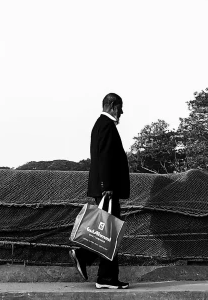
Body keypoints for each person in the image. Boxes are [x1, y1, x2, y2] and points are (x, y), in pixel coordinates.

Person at [69, 92, 130, 290]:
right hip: (107, 189)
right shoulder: (106, 125)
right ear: (112, 106)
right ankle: (88, 260)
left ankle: (105, 276)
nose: (122, 111)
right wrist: (107, 187)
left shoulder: (101, 125)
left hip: (106, 188)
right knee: (109, 232)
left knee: (108, 231)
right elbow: (104, 158)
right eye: (120, 107)